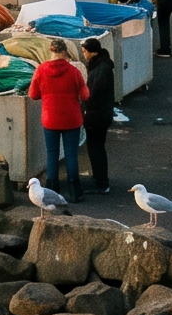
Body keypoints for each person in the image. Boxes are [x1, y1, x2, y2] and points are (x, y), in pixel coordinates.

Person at [27, 42, 89, 201]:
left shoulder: (41, 70)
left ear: (51, 51)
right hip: (71, 119)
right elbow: (85, 95)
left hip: (50, 119)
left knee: (52, 154)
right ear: (65, 52)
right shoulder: (74, 71)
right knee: (71, 154)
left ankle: (52, 188)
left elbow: (33, 94)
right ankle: (75, 191)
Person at [78, 38, 117, 194]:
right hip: (102, 114)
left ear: (92, 52)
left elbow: (95, 93)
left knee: (95, 148)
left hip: (97, 116)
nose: (84, 54)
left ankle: (101, 182)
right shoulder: (103, 65)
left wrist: (85, 105)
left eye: (85, 51)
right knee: (97, 147)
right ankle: (99, 179)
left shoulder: (100, 69)